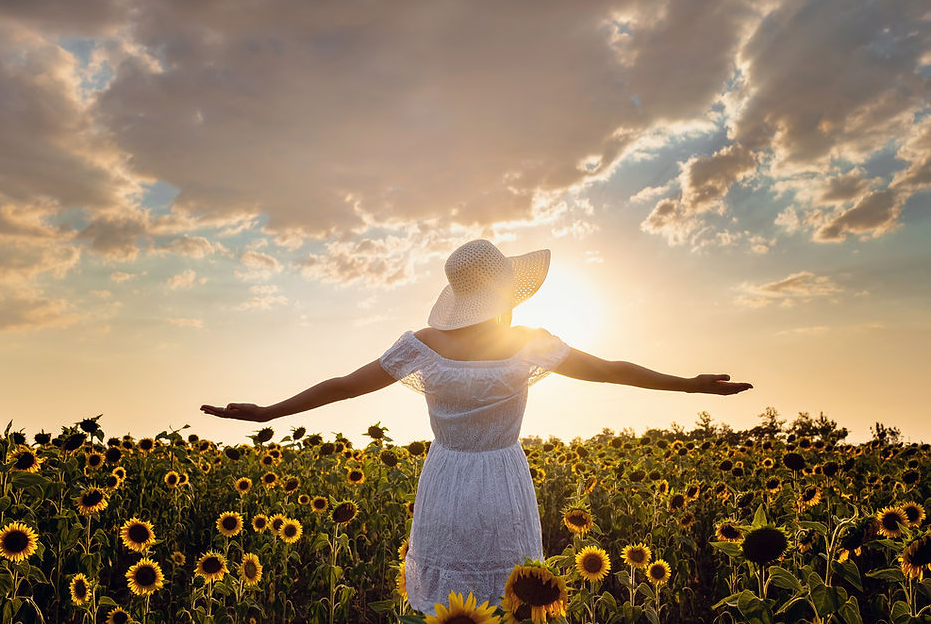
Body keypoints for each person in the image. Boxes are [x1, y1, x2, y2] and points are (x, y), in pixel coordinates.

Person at [201, 238, 753, 614]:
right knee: (513, 603)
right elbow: (611, 372)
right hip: (504, 481)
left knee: (445, 609)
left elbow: (343, 385)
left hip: (445, 479)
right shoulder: (527, 342)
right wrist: (688, 384)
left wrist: (269, 412)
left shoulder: (424, 344)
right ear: (505, 294)